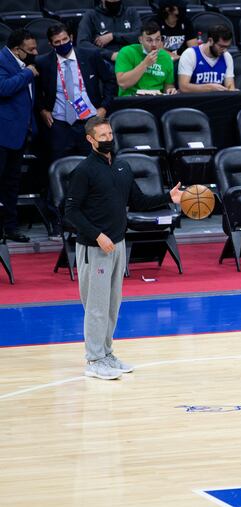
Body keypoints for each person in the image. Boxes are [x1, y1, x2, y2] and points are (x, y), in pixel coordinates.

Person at [65, 116, 183, 380]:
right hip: (95, 248)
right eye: (102, 135)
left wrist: (168, 197)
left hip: (118, 244)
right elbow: (70, 212)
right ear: (90, 139)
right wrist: (97, 235)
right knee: (96, 306)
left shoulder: (122, 167)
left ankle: (106, 353)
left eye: (110, 134)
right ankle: (94, 359)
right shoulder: (84, 171)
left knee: (112, 304)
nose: (108, 139)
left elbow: (138, 201)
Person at [37, 23, 118, 163]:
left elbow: (110, 80)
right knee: (60, 166)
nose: (62, 44)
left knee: (96, 165)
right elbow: (36, 90)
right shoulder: (43, 62)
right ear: (51, 44)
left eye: (64, 40)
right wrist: (42, 110)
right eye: (57, 42)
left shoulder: (91, 55)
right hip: (60, 123)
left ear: (71, 38)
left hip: (90, 120)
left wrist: (104, 107)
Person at [0, 29, 38, 244]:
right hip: (3, 134)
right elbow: (3, 88)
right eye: (30, 49)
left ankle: (10, 227)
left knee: (12, 184)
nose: (35, 52)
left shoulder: (25, 62)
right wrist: (27, 74)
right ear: (16, 49)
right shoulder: (2, 60)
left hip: (20, 134)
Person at [115, 21, 177, 96]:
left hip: (157, 100)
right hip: (131, 99)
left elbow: (168, 85)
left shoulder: (166, 57)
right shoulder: (127, 52)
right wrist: (145, 64)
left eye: (157, 39)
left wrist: (170, 90)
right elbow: (123, 83)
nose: (154, 44)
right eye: (149, 40)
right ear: (140, 40)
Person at [77, 0, 141, 63]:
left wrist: (113, 36)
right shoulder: (91, 15)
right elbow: (82, 43)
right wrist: (110, 55)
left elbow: (139, 36)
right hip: (105, 61)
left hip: (131, 58)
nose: (114, 2)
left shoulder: (131, 12)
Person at [178, 24, 236, 93]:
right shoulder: (190, 54)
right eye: (221, 46)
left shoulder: (227, 56)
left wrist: (231, 90)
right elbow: (183, 87)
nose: (225, 50)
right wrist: (209, 88)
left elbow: (230, 87)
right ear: (210, 41)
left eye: (227, 47)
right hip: (194, 101)